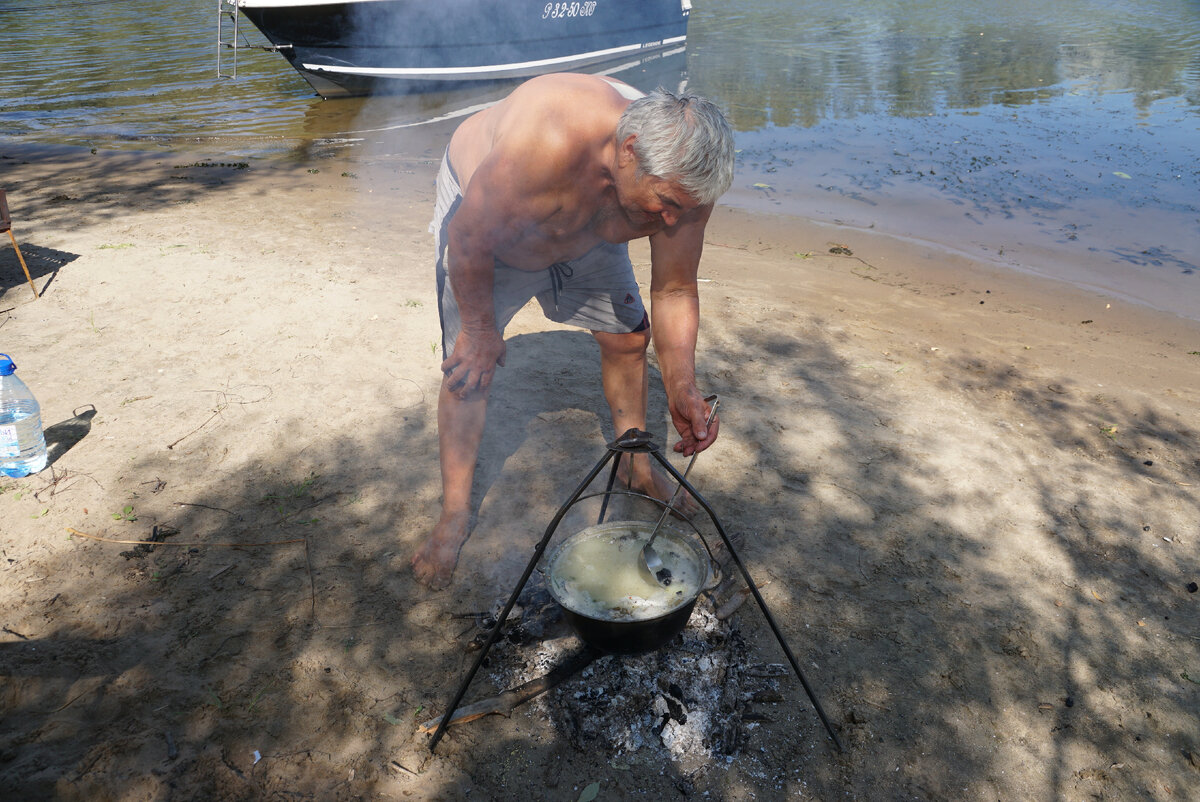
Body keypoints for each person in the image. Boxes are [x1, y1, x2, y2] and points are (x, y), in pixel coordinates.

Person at [411, 72, 735, 589]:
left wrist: (682, 385)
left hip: (587, 233)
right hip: (492, 234)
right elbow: (468, 238)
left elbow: (674, 289)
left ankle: (634, 464)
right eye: (667, 203)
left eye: (686, 208)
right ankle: (453, 512)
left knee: (629, 339)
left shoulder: (686, 182)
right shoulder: (545, 143)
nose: (674, 220)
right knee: (470, 368)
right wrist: (480, 329)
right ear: (629, 150)